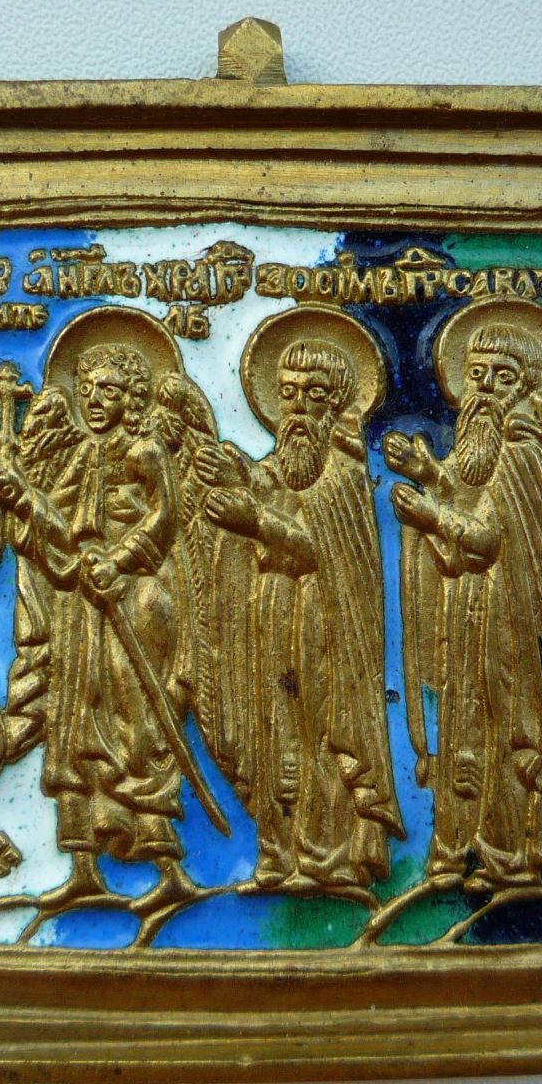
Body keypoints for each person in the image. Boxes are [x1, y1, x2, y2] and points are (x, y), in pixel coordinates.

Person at [0, 336, 196, 910]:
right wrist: (22, 498)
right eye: (86, 390)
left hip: (138, 602)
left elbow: (167, 518)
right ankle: (83, 867)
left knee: (141, 725)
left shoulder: (146, 451)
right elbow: (60, 527)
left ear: (133, 397)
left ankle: (167, 869)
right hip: (82, 606)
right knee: (75, 723)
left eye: (109, 390)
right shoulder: (82, 454)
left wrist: (121, 560)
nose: (95, 400)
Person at [196, 325, 404, 890]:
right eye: (287, 393)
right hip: (272, 612)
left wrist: (254, 519)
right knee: (271, 731)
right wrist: (237, 479)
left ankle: (327, 856)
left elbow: (320, 549)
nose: (297, 407)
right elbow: (269, 490)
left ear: (337, 403)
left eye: (313, 394)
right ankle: (277, 851)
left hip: (325, 622)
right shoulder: (282, 465)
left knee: (322, 732)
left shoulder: (344, 470)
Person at [384, 301, 542, 894]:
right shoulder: (486, 447)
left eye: (502, 377)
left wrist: (431, 515)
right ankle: (458, 845)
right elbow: (471, 494)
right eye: (477, 375)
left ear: (529, 387)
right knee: (464, 725)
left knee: (499, 728)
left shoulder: (522, 449)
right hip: (471, 610)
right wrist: (430, 473)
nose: (485, 389)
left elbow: (488, 537)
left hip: (508, 620)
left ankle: (507, 853)